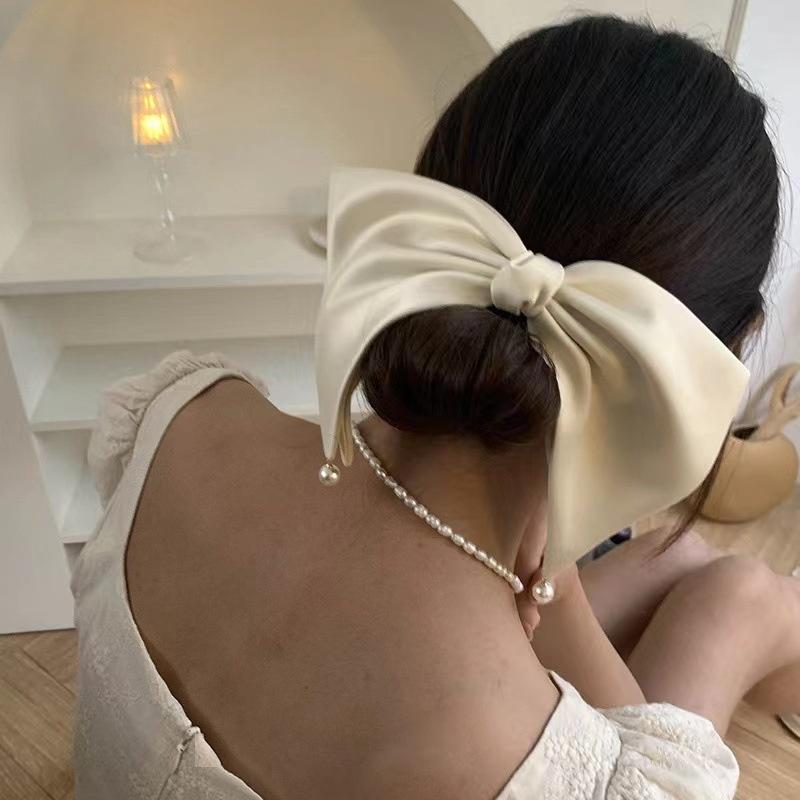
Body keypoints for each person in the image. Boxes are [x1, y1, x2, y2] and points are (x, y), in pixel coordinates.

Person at [71, 16, 800, 800]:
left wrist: (548, 564)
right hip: (473, 690)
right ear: (712, 357)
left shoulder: (178, 416)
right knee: (741, 598)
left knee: (693, 564)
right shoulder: (511, 764)